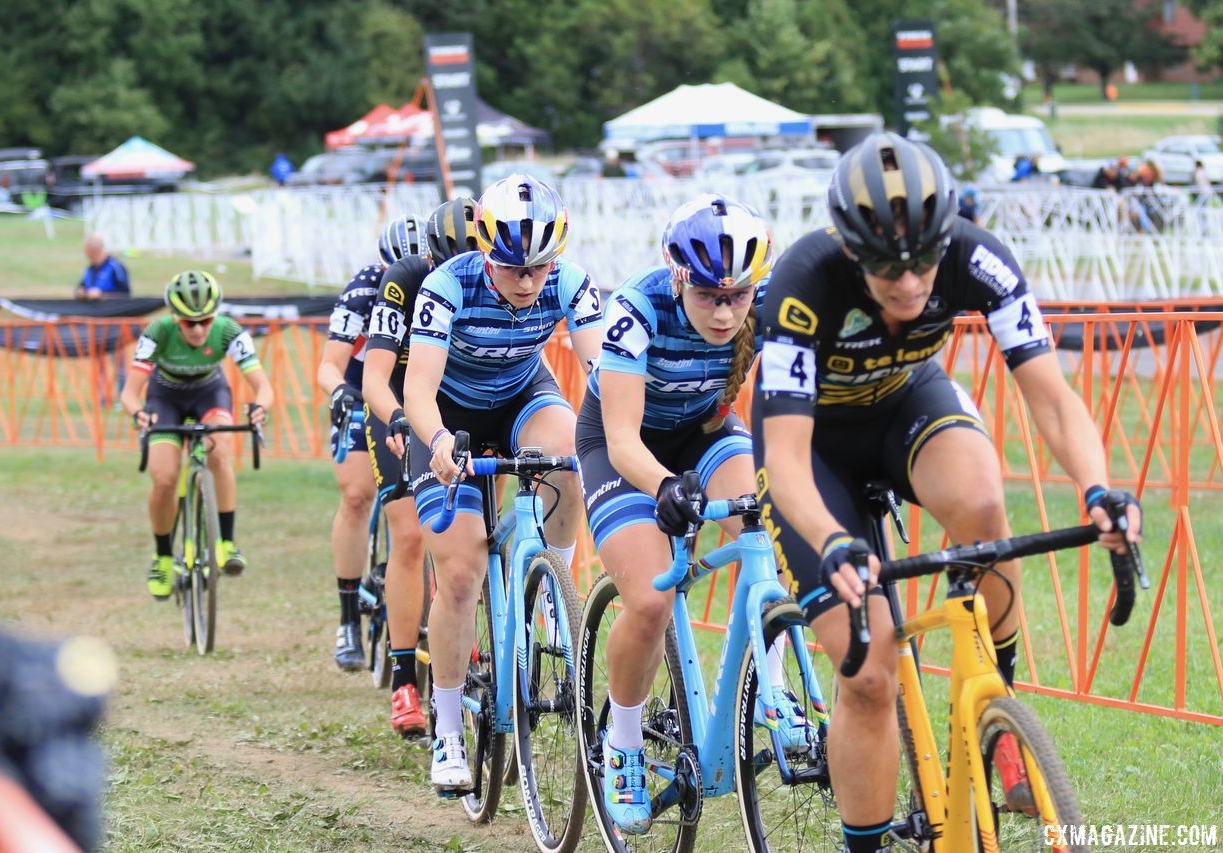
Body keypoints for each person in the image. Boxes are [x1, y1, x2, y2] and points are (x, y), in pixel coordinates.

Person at [753, 132, 1142, 853]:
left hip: (906, 405)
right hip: (815, 449)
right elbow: (783, 453)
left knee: (984, 505)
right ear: (850, 252)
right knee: (869, 676)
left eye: (923, 264)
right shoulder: (803, 284)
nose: (908, 286)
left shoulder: (978, 258)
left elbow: (1052, 399)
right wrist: (832, 537)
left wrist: (1100, 488)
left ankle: (998, 705)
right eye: (886, 272)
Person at [576, 194, 787, 834]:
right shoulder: (635, 312)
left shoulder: (771, 308)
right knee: (649, 601)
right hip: (625, 449)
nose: (725, 313)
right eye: (708, 297)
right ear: (678, 277)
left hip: (706, 433)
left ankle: (776, 695)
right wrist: (667, 486)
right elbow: (620, 440)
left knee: (768, 534)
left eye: (737, 298)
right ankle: (624, 742)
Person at [403, 174, 601, 793]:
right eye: (514, 267)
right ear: (486, 252)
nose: (528, 281)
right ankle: (448, 731)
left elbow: (601, 371)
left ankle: (552, 591)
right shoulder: (446, 285)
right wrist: (437, 443)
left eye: (540, 268)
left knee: (572, 450)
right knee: (461, 573)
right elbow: (417, 389)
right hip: (447, 413)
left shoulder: (568, 281)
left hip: (522, 394)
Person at [361, 197, 479, 736]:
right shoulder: (404, 278)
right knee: (409, 537)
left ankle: (476, 641)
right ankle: (405, 678)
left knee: (478, 532)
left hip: (459, 406)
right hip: (400, 409)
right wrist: (403, 425)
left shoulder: (493, 281)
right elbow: (375, 376)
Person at [317, 214, 427, 671]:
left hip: (416, 391)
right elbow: (329, 366)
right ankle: (347, 617)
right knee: (358, 495)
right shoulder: (364, 290)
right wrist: (340, 393)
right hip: (365, 390)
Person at [121, 271, 274, 599]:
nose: (198, 329)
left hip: (209, 392)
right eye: (188, 323)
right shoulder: (158, 331)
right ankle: (163, 556)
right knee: (164, 478)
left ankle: (226, 544)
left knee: (219, 453)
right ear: (174, 319)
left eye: (205, 320)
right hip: (165, 397)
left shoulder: (228, 331)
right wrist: (138, 413)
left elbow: (262, 386)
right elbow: (130, 393)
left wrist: (260, 406)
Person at [76, 234, 130, 300]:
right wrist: (81, 293)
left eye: (87, 250)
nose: (86, 254)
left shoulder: (115, 267)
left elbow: (125, 294)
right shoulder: (90, 270)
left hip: (112, 309)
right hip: (92, 309)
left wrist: (102, 295)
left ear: (94, 250)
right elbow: (81, 287)